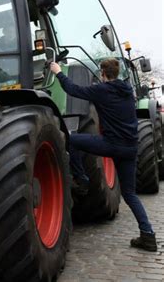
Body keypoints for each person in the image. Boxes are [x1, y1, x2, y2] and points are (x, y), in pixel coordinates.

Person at [50, 58, 157, 252]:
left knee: (71, 140)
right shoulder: (128, 93)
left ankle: (82, 180)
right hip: (130, 148)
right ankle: (148, 235)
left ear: (103, 73)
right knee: (130, 194)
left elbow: (73, 90)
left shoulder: (101, 90)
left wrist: (58, 71)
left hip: (111, 145)